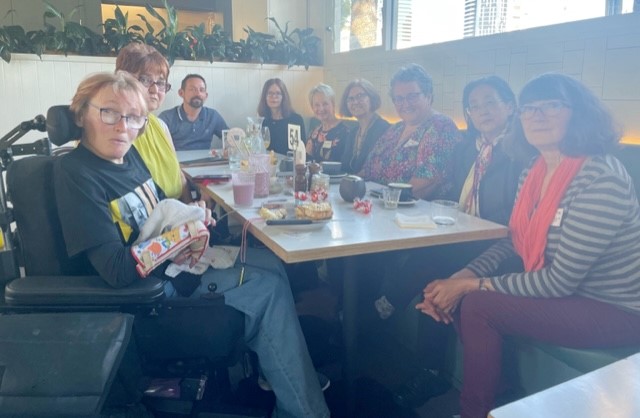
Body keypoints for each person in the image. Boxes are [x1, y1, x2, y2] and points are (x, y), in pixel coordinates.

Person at [54, 71, 330, 418]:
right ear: (81, 114)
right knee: (267, 289)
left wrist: (191, 216)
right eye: (109, 112)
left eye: (134, 117)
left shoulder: (129, 158)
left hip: (172, 264)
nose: (123, 126)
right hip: (149, 296)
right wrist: (182, 235)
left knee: (273, 264)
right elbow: (116, 270)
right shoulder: (77, 172)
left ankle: (277, 373)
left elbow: (159, 214)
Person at [417, 73, 640, 418]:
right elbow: (513, 243)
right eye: (529, 108)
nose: (538, 116)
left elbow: (558, 281)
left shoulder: (600, 178)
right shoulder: (533, 171)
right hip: (571, 294)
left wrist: (467, 286)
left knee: (477, 303)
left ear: (578, 113)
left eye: (552, 105)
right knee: (458, 286)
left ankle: (475, 412)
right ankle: (503, 397)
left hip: (615, 309)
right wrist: (459, 276)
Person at [377, 76, 529, 409]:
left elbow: (515, 222)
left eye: (491, 102)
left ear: (510, 106)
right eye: (474, 106)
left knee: (435, 278)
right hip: (465, 235)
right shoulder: (468, 149)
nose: (482, 111)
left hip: (504, 245)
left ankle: (385, 315)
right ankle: (389, 322)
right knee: (427, 264)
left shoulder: (522, 153)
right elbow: (451, 194)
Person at [360, 63, 460, 200]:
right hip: (378, 204)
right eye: (399, 99)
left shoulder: (441, 127)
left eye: (412, 96)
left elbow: (426, 184)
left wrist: (385, 200)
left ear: (428, 96)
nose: (405, 104)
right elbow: (367, 169)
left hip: (415, 214)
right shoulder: (395, 129)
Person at [115, 43, 190, 202]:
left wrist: (193, 209)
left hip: (176, 216)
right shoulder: (114, 128)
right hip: (146, 222)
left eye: (161, 82)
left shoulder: (160, 125)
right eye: (145, 79)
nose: (155, 89)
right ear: (123, 80)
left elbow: (178, 175)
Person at [159, 74, 229, 151]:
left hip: (206, 162)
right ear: (181, 93)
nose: (198, 94)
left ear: (206, 95)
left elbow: (230, 138)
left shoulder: (212, 116)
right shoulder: (166, 118)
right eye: (192, 89)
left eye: (201, 90)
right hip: (175, 162)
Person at [338, 79, 390, 174]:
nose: (355, 102)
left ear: (371, 97)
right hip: (351, 185)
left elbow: (379, 167)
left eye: (360, 96)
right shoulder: (353, 132)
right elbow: (344, 165)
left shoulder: (384, 129)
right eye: (351, 99)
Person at [257, 78, 306, 155]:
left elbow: (299, 151)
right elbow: (259, 149)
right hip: (268, 165)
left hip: (289, 165)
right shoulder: (263, 121)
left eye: (278, 93)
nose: (274, 97)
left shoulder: (295, 120)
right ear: (264, 97)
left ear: (284, 96)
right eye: (270, 93)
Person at [305, 83, 350, 163]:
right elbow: (307, 160)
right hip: (315, 175)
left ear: (333, 104)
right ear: (312, 107)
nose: (321, 109)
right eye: (317, 105)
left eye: (325, 104)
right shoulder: (314, 133)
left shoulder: (346, 132)